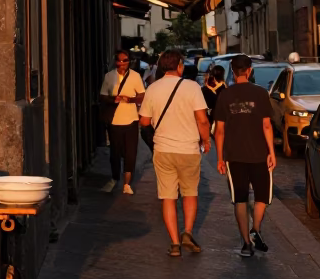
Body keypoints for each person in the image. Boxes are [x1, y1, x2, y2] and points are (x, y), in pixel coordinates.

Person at [139, 47, 212, 257]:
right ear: (179, 66)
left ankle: (174, 244)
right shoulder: (192, 87)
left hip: (163, 150)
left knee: (168, 197)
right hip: (188, 149)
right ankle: (187, 232)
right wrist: (205, 140)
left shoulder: (152, 89)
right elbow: (202, 120)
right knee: (190, 193)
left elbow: (144, 121)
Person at [213, 52, 277, 256]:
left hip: (234, 155)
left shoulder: (225, 95)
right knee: (261, 197)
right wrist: (272, 152)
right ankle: (255, 229)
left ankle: (246, 245)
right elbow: (267, 125)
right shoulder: (260, 93)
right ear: (250, 70)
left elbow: (219, 130)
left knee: (239, 199)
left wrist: (220, 158)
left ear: (232, 71)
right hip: (259, 152)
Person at [99, 49, 145, 194]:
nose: (122, 63)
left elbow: (142, 96)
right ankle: (114, 178)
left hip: (131, 120)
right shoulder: (109, 76)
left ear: (129, 61)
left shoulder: (135, 76)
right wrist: (114, 99)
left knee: (131, 153)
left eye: (125, 60)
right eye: (119, 60)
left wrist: (130, 99)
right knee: (115, 152)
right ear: (115, 61)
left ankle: (127, 183)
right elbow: (102, 96)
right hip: (114, 120)